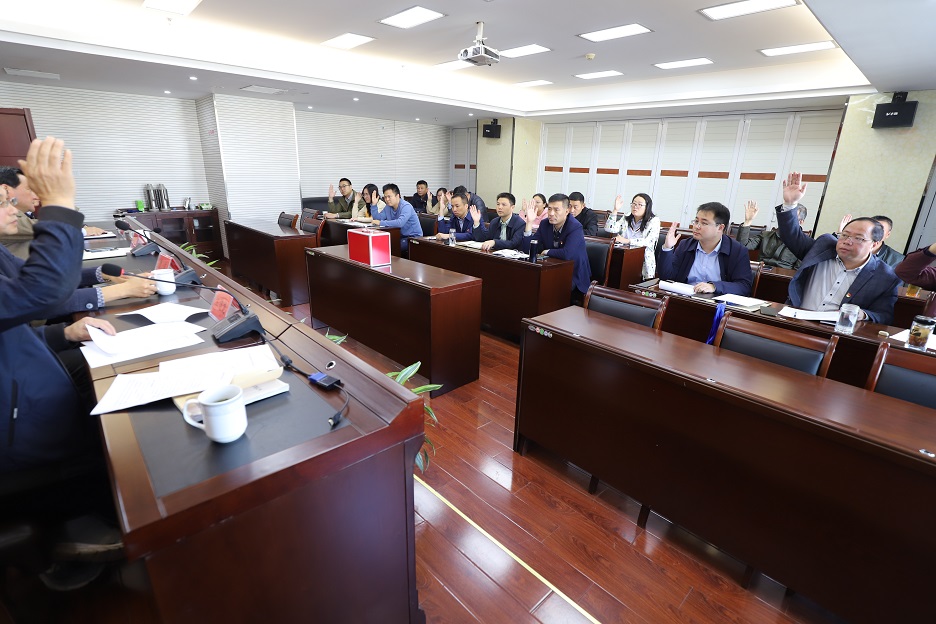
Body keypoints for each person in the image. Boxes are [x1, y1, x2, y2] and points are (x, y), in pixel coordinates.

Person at [1, 137, 118, 474]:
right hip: (26, 430)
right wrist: (59, 201)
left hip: (36, 386)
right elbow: (41, 289)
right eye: (2, 203)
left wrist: (64, 334)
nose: (13, 209)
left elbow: (9, 332)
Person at [775, 172, 900, 324]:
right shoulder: (824, 247)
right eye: (844, 235)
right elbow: (792, 236)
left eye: (858, 238)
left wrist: (862, 314)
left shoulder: (885, 276)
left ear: (874, 244)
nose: (847, 241)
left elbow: (884, 316)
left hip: (837, 331)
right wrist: (790, 204)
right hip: (796, 320)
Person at [0, 166, 105, 259]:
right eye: (30, 189)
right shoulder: (6, 220)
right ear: (7, 190)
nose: (37, 195)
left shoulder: (23, 216)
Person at [659, 202, 753, 296]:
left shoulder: (737, 251)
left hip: (716, 301)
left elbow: (744, 286)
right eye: (696, 221)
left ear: (720, 228)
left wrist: (714, 286)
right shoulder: (685, 245)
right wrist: (667, 248)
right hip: (686, 298)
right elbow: (667, 277)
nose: (697, 226)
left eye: (704, 223)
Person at [519, 193, 591, 300]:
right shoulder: (545, 224)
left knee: (548, 290)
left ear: (567, 211)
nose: (551, 213)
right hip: (551, 269)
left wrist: (546, 251)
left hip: (573, 274)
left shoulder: (575, 227)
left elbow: (567, 254)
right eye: (549, 209)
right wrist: (529, 222)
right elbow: (527, 249)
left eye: (556, 210)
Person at [603, 193, 661, 279]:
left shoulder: (654, 221)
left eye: (640, 204)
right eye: (634, 203)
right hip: (623, 256)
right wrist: (615, 210)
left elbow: (649, 242)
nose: (635, 207)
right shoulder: (627, 217)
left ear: (647, 207)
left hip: (643, 262)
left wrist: (627, 241)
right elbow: (609, 229)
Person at [736, 200, 804, 269]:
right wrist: (748, 221)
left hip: (781, 275)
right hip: (758, 272)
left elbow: (798, 271)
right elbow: (742, 246)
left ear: (800, 222)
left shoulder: (803, 245)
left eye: (791, 217)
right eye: (784, 216)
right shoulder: (766, 235)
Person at [371, 183, 422, 254]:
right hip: (398, 236)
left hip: (413, 238)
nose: (387, 199)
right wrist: (374, 205)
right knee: (376, 245)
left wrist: (380, 223)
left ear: (397, 196)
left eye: (389, 197)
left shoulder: (406, 206)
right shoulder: (388, 207)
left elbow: (400, 223)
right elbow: (378, 218)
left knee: (390, 247)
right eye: (385, 197)